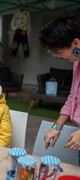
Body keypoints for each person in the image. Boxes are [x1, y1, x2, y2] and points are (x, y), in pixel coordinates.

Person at [39, 16, 80, 151]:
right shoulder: (77, 64)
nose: (59, 56)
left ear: (76, 43)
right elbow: (72, 98)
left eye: (59, 52)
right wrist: (56, 127)